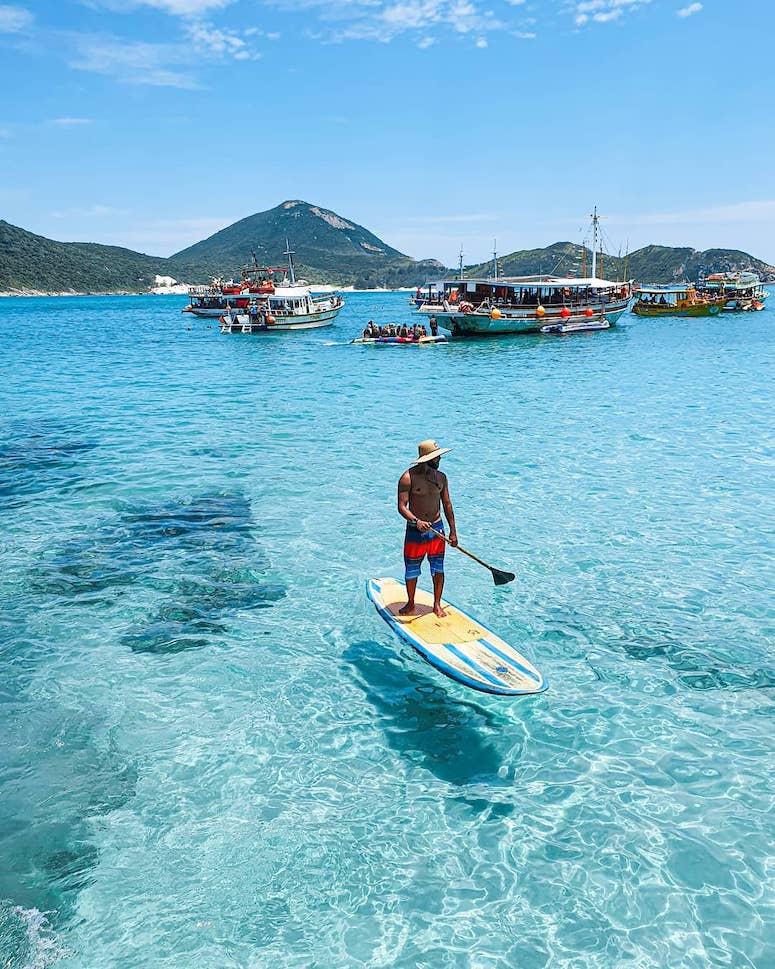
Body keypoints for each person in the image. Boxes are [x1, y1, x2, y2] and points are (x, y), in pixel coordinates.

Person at [397, 440, 458, 618]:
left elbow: (447, 505)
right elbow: (401, 507)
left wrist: (453, 532)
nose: (439, 459)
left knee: (438, 568)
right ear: (426, 459)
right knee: (411, 570)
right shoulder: (408, 478)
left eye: (438, 456)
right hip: (415, 531)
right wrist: (416, 521)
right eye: (436, 457)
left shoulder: (441, 478)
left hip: (437, 530)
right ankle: (410, 603)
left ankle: (437, 604)